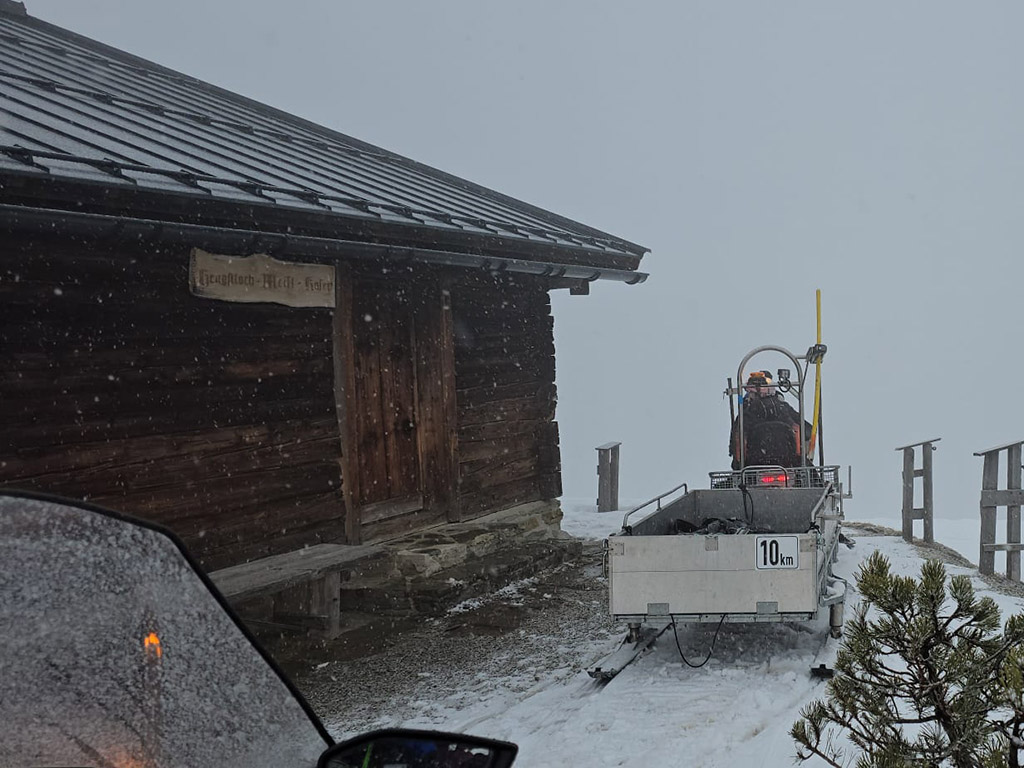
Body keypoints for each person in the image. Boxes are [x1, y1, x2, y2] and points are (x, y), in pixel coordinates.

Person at [729, 370, 811, 469]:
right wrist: (799, 457)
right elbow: (797, 429)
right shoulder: (782, 408)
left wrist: (739, 463)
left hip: (755, 464)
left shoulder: (746, 414)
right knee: (811, 473)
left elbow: (739, 440)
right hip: (787, 461)